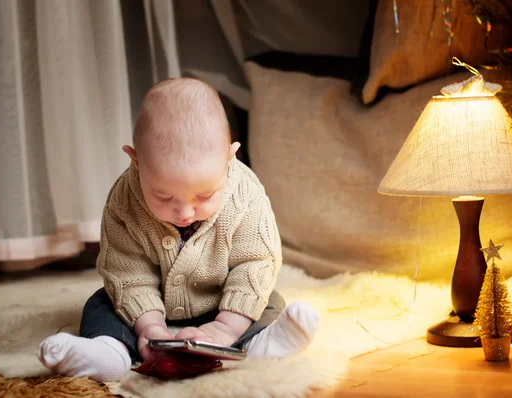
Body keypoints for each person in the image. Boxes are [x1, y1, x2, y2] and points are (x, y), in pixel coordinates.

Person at [37, 78, 320, 382]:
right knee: (101, 303)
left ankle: (262, 344)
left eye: (204, 195)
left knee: (266, 298)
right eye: (163, 196)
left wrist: (224, 328)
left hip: (223, 304)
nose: (185, 212)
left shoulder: (246, 196)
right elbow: (127, 272)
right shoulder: (123, 201)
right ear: (136, 162)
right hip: (146, 307)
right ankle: (109, 352)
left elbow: (256, 263)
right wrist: (149, 327)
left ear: (229, 158)